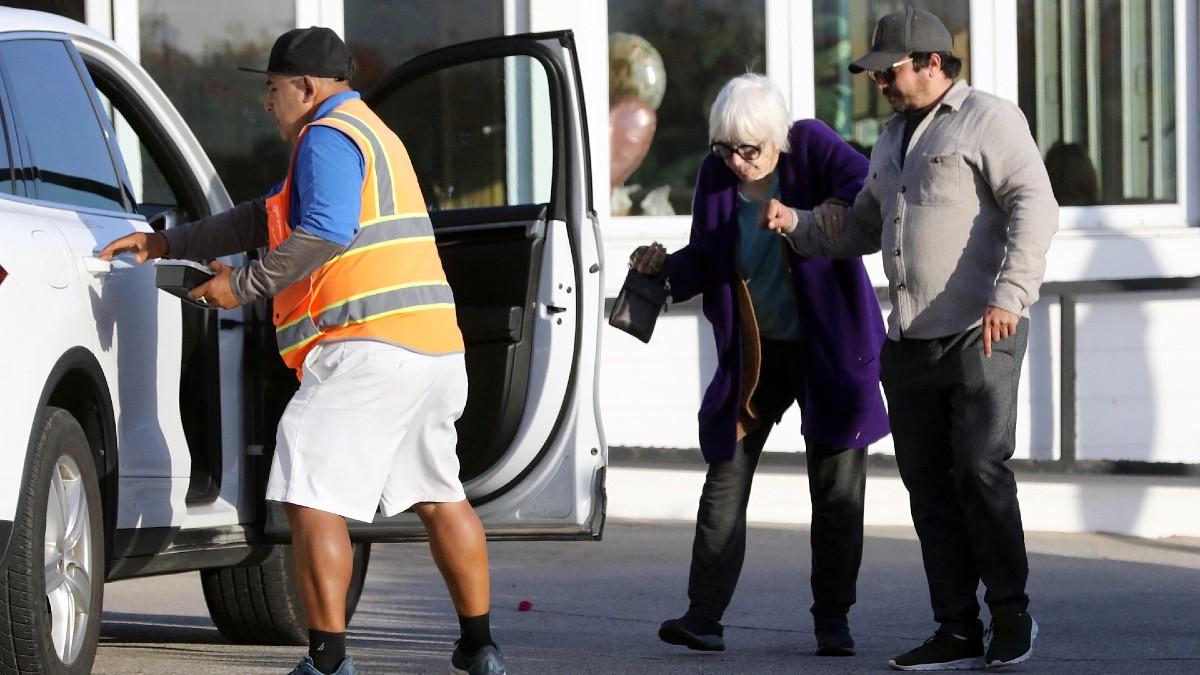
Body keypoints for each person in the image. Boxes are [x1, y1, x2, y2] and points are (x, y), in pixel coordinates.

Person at [100, 27, 506, 675]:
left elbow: (324, 231)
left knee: (308, 491)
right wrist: (164, 244)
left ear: (307, 88)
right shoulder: (373, 132)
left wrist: (246, 284)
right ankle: (481, 647)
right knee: (439, 493)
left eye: (272, 88)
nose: (267, 103)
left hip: (365, 347)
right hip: (432, 352)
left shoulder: (326, 136)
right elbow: (262, 219)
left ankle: (327, 659)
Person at [761, 7, 1058, 671]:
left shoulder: (989, 117)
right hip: (911, 341)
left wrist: (1010, 295)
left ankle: (1011, 613)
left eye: (889, 72)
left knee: (981, 469)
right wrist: (796, 224)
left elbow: (1035, 204)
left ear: (931, 62)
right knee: (929, 491)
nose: (880, 85)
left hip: (983, 330)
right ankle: (956, 628)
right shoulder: (892, 137)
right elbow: (863, 225)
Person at [630, 73, 889, 657]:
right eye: (727, 149)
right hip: (758, 352)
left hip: (830, 345)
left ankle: (833, 621)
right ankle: (703, 616)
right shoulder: (715, 174)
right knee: (726, 473)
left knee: (836, 486)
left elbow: (867, 192)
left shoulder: (814, 144)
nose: (739, 162)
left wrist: (805, 215)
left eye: (752, 150)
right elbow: (708, 255)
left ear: (778, 138)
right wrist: (661, 269)